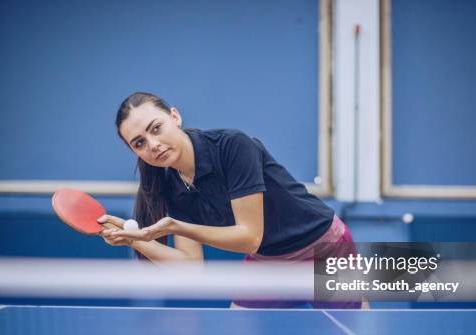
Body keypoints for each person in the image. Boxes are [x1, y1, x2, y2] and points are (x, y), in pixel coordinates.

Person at [99, 92, 363, 308]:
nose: (153, 144)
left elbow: (250, 237)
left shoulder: (232, 146)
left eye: (156, 128)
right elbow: (190, 268)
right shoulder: (171, 185)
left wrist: (175, 227)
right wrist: (137, 239)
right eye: (139, 143)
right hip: (269, 260)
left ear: (175, 117)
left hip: (324, 249)